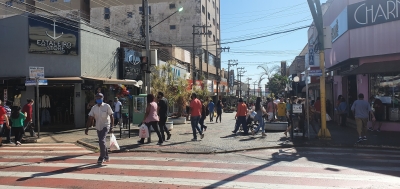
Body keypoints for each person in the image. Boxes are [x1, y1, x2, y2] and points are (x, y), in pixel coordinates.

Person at [85, 93, 114, 165]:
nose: (98, 98)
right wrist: (87, 128)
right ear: (95, 99)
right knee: (102, 142)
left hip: (106, 125)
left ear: (103, 98)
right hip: (98, 127)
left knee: (101, 140)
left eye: (100, 97)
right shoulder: (94, 108)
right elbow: (90, 118)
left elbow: (111, 116)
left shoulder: (107, 106)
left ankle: (102, 157)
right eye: (97, 97)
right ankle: (106, 156)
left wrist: (112, 127)